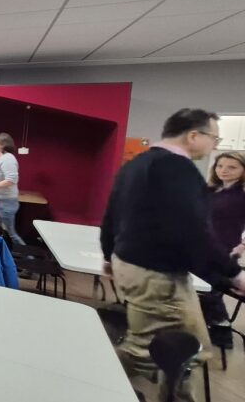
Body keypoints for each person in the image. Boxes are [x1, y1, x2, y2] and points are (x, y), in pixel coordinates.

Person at [101, 108, 245, 402]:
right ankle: (85, 377)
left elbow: (112, 213)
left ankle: (174, 395)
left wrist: (108, 255)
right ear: (193, 135)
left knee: (187, 347)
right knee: (154, 351)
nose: (214, 146)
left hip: (133, 264)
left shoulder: (137, 163)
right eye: (214, 138)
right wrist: (233, 273)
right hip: (156, 274)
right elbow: (192, 231)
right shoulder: (178, 169)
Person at [200, 151, 245, 349]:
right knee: (200, 291)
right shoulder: (211, 190)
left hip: (225, 251)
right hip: (203, 248)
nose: (224, 170)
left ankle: (222, 333)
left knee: (211, 293)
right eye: (220, 166)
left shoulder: (241, 195)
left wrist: (242, 246)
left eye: (232, 167)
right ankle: (205, 328)